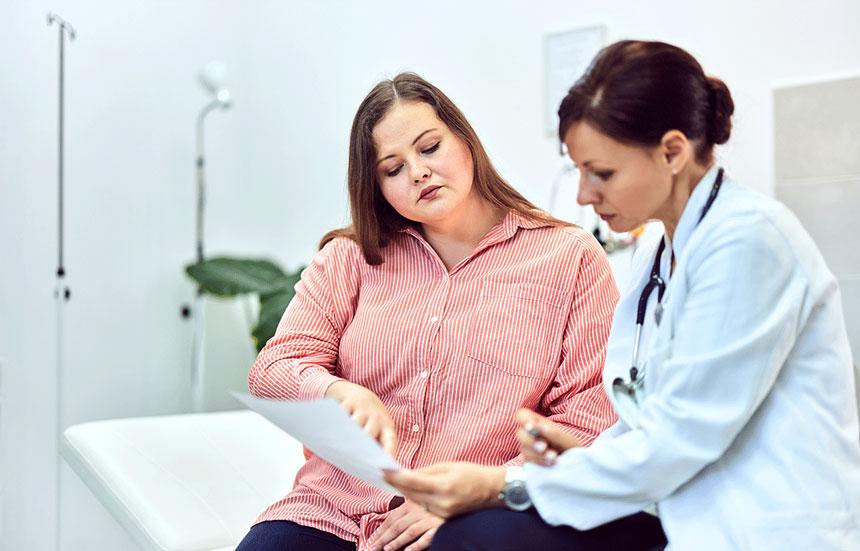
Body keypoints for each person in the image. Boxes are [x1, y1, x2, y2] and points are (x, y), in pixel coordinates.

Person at [385, 40, 860, 550]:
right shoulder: (657, 247)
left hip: (759, 527)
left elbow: (679, 439)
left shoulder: (750, 242)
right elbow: (648, 418)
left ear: (673, 152)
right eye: (580, 171)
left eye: (602, 173)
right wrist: (578, 457)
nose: (584, 196)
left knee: (477, 536)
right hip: (676, 506)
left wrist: (500, 485)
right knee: (477, 536)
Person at [236, 73, 621, 551]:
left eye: (430, 147)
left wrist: (482, 491)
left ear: (465, 141)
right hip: (332, 508)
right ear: (375, 187)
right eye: (392, 169)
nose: (417, 172)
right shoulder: (350, 256)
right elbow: (273, 369)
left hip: (469, 516)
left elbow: (586, 424)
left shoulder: (568, 256)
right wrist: (337, 391)